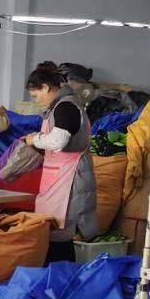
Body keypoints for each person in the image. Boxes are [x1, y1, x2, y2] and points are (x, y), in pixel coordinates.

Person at [23, 62, 100, 260]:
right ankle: (56, 273)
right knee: (53, 232)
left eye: (35, 95)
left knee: (61, 233)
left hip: (69, 178)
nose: (36, 100)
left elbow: (58, 141)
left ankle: (60, 274)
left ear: (45, 87)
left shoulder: (66, 106)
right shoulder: (57, 107)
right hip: (57, 178)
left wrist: (34, 140)